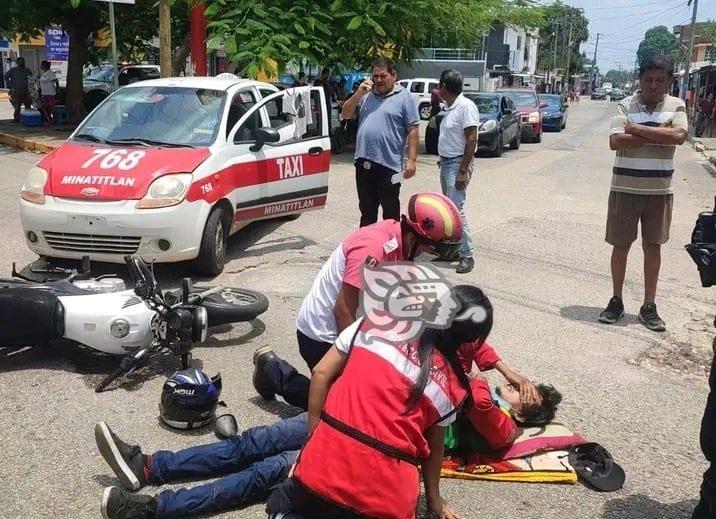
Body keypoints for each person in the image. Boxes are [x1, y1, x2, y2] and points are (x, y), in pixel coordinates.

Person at [265, 285, 491, 519]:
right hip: (388, 500)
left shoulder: (380, 320)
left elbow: (321, 372)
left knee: (284, 500)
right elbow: (435, 448)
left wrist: (314, 440)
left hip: (324, 465)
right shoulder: (454, 387)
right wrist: (434, 498)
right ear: (471, 342)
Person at [252, 192, 463, 410]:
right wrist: (358, 360)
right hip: (323, 333)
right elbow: (343, 310)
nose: (430, 256)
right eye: (430, 249)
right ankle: (273, 371)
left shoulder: (404, 247)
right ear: (414, 236)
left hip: (355, 328)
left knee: (369, 398)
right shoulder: (373, 248)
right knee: (340, 408)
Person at [598, 55, 687, 332]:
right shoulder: (625, 104)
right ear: (640, 80)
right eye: (648, 80)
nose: (653, 86)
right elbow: (615, 141)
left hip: (659, 191)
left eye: (660, 80)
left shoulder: (676, 105)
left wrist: (634, 128)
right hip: (624, 188)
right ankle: (616, 301)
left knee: (653, 247)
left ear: (669, 81)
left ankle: (649, 306)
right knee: (620, 247)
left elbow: (678, 137)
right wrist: (657, 133)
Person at [95, 414, 307, 519]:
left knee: (266, 471)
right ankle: (148, 466)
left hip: (337, 458)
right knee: (256, 441)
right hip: (329, 418)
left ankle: (152, 509)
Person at [341, 57, 420, 227]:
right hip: (363, 163)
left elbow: (413, 129)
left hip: (389, 167)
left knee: (390, 215)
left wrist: (411, 160)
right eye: (375, 76)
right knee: (367, 212)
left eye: (383, 76)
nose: (378, 80)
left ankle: (392, 250)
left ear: (394, 75)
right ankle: (367, 249)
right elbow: (346, 114)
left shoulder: (405, 97)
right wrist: (358, 93)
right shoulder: (366, 96)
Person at [455, 338, 562, 451]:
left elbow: (480, 402)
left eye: (526, 394)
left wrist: (479, 381)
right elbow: (471, 341)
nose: (517, 387)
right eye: (524, 387)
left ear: (520, 415)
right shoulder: (486, 397)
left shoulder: (506, 430)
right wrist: (507, 372)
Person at [436, 69, 479, 274]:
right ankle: (453, 250)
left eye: (439, 86)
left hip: (457, 164)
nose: (437, 89)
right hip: (447, 163)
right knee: (450, 211)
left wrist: (462, 170)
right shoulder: (450, 107)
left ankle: (466, 255)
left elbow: (472, 139)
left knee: (456, 210)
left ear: (444, 86)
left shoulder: (465, 107)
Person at [4, 57, 32, 122]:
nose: (22, 63)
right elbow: (6, 76)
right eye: (20, 61)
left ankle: (27, 118)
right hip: (16, 91)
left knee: (28, 105)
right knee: (17, 106)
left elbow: (31, 79)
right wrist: (10, 85)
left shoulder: (27, 70)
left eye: (23, 61)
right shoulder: (13, 70)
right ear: (17, 63)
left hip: (26, 91)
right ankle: (16, 118)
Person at [38, 60, 58, 125]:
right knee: (45, 107)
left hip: (50, 93)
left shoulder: (50, 73)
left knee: (50, 107)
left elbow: (56, 80)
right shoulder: (44, 73)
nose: (40, 66)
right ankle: (48, 119)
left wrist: (57, 89)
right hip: (44, 93)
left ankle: (51, 120)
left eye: (41, 65)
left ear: (44, 66)